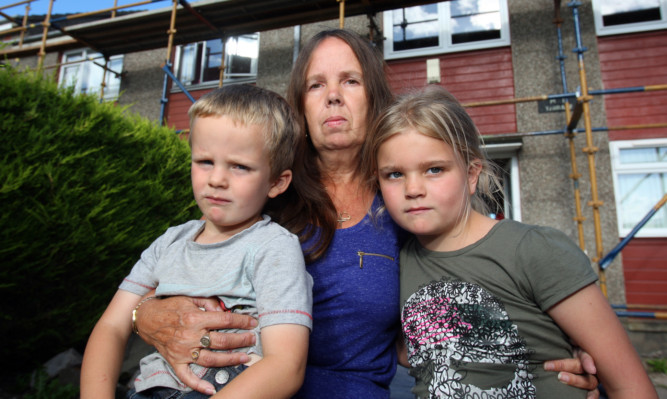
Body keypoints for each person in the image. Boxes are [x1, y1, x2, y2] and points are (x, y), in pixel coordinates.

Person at [132, 29, 602, 398]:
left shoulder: (408, 204)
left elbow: (476, 277)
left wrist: (558, 348)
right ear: (299, 107)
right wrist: (143, 316)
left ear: (374, 98)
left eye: (350, 81)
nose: (333, 96)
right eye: (316, 85)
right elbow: (167, 273)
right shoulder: (262, 191)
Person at [364, 85, 657, 398]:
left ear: (472, 173)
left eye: (434, 169)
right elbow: (412, 354)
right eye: (394, 174)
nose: (413, 188)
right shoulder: (394, 262)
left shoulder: (534, 250)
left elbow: (630, 386)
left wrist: (591, 362)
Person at [80, 84, 315, 399]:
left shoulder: (274, 247)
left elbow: (285, 367)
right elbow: (111, 326)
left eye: (239, 166)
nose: (216, 178)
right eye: (205, 161)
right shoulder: (169, 243)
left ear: (276, 182)